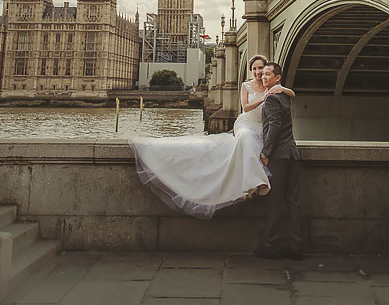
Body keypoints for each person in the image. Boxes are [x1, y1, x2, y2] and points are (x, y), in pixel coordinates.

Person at [129, 54, 295, 219]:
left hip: (261, 126)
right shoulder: (247, 85)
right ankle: (253, 182)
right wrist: (262, 99)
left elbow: (291, 94)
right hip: (247, 123)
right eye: (255, 69)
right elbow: (245, 107)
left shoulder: (271, 85)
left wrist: (284, 89)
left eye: (261, 69)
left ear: (269, 71)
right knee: (246, 139)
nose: (259, 72)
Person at [253, 61, 303, 260]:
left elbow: (274, 127)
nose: (263, 77)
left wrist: (265, 152)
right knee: (293, 202)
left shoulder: (272, 99)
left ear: (277, 78)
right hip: (291, 153)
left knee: (275, 202)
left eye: (267, 74)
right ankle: (296, 246)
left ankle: (271, 245)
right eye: (262, 74)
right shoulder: (283, 96)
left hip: (279, 156)